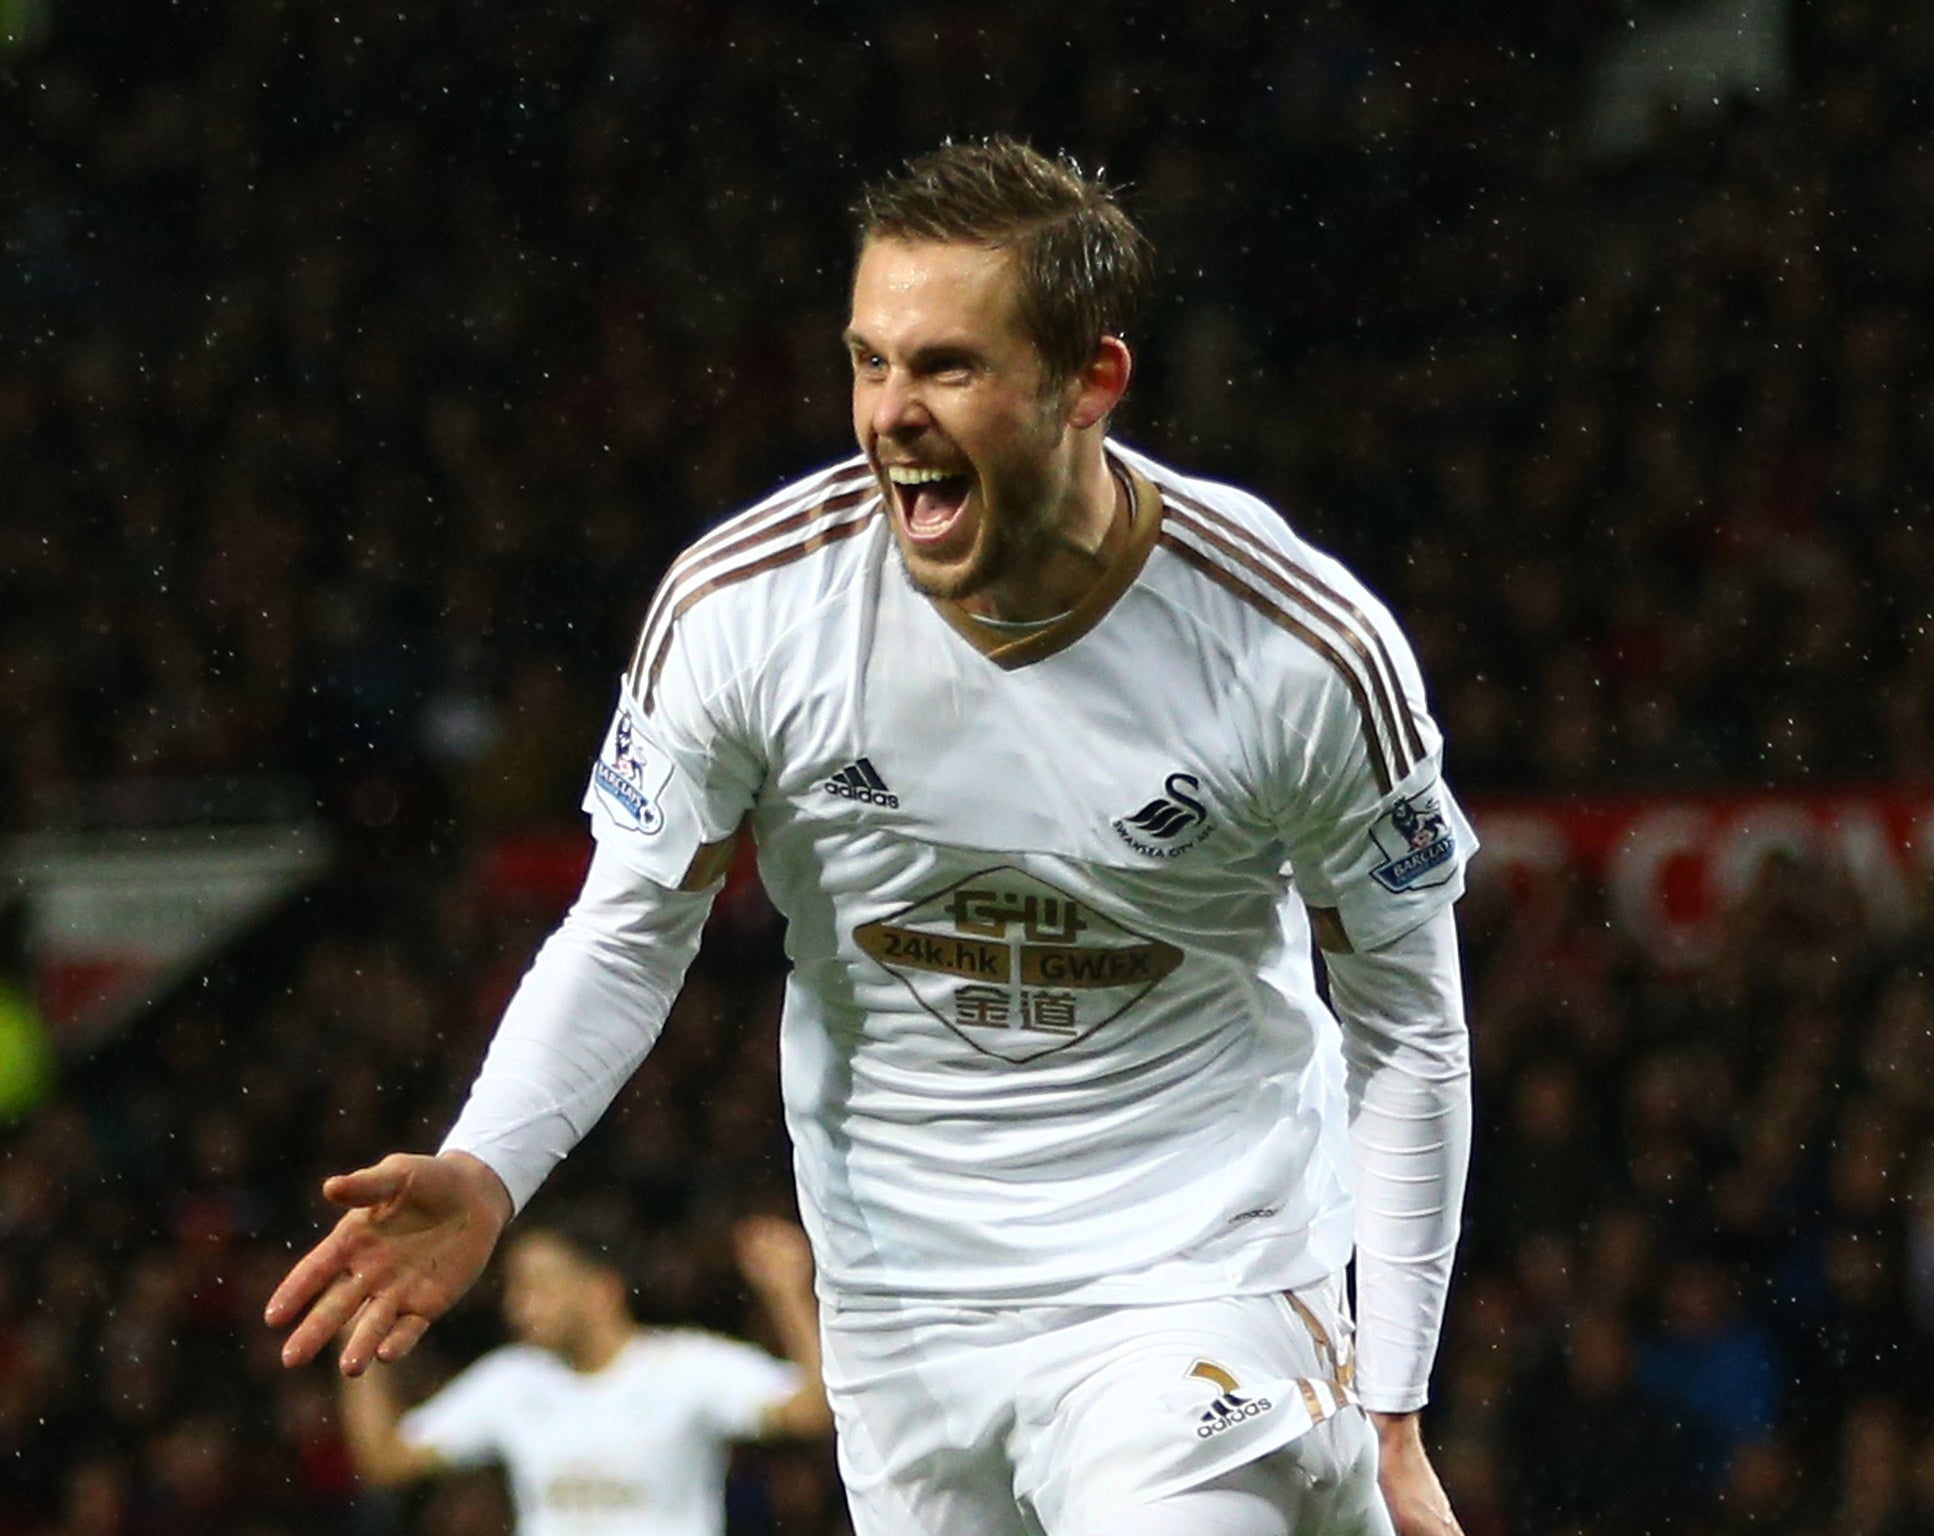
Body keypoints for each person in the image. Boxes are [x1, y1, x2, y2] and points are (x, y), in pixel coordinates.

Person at [269, 137, 1476, 1536]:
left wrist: (1392, 1402)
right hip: (899, 1301)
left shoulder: (1296, 646)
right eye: (870, 362)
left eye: (950, 366)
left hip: (1198, 1271)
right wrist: (487, 1169)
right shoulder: (746, 611)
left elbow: (1408, 1018)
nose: (892, 414)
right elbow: (625, 930)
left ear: (1091, 382)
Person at [338, 1212, 830, 1536]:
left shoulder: (686, 1367)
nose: (519, 1306)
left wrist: (788, 1295)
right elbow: (385, 1461)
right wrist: (356, 1338)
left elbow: (812, 1413)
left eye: (538, 1286)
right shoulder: (511, 1381)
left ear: (601, 1289)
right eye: (515, 1289)